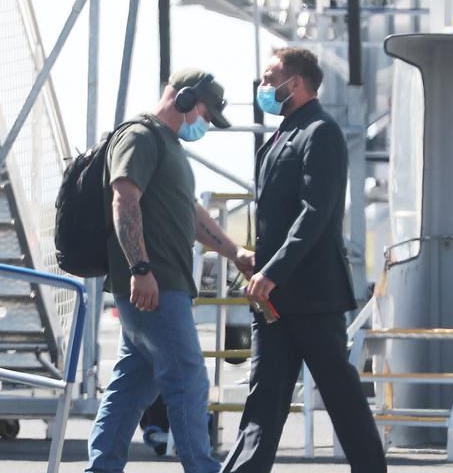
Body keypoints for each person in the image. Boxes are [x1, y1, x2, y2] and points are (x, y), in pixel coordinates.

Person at [223, 47, 386, 473]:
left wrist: (271, 272)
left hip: (312, 297)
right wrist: (261, 264)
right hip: (275, 298)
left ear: (293, 83)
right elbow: (280, 218)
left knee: (340, 395)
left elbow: (315, 214)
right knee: (265, 397)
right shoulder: (283, 134)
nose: (262, 87)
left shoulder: (320, 132)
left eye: (268, 78)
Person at [87, 69, 255, 473]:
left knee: (132, 386)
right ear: (183, 99)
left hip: (162, 285)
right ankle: (202, 467)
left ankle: (101, 468)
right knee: (188, 379)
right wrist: (140, 268)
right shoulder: (141, 137)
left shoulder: (168, 146)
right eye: (204, 113)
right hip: (155, 287)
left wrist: (234, 252)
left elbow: (190, 213)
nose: (205, 123)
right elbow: (124, 199)